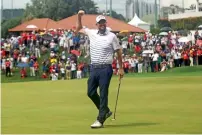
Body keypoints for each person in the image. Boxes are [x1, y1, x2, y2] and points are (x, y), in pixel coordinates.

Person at [75, 10, 124, 128]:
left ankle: (100, 119)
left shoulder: (112, 36)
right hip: (94, 68)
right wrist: (79, 16)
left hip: (105, 69)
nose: (102, 25)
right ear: (96, 25)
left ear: (105, 23)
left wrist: (121, 68)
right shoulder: (92, 33)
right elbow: (78, 29)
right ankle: (105, 111)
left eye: (103, 22)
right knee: (90, 92)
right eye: (100, 23)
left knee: (103, 94)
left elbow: (118, 52)